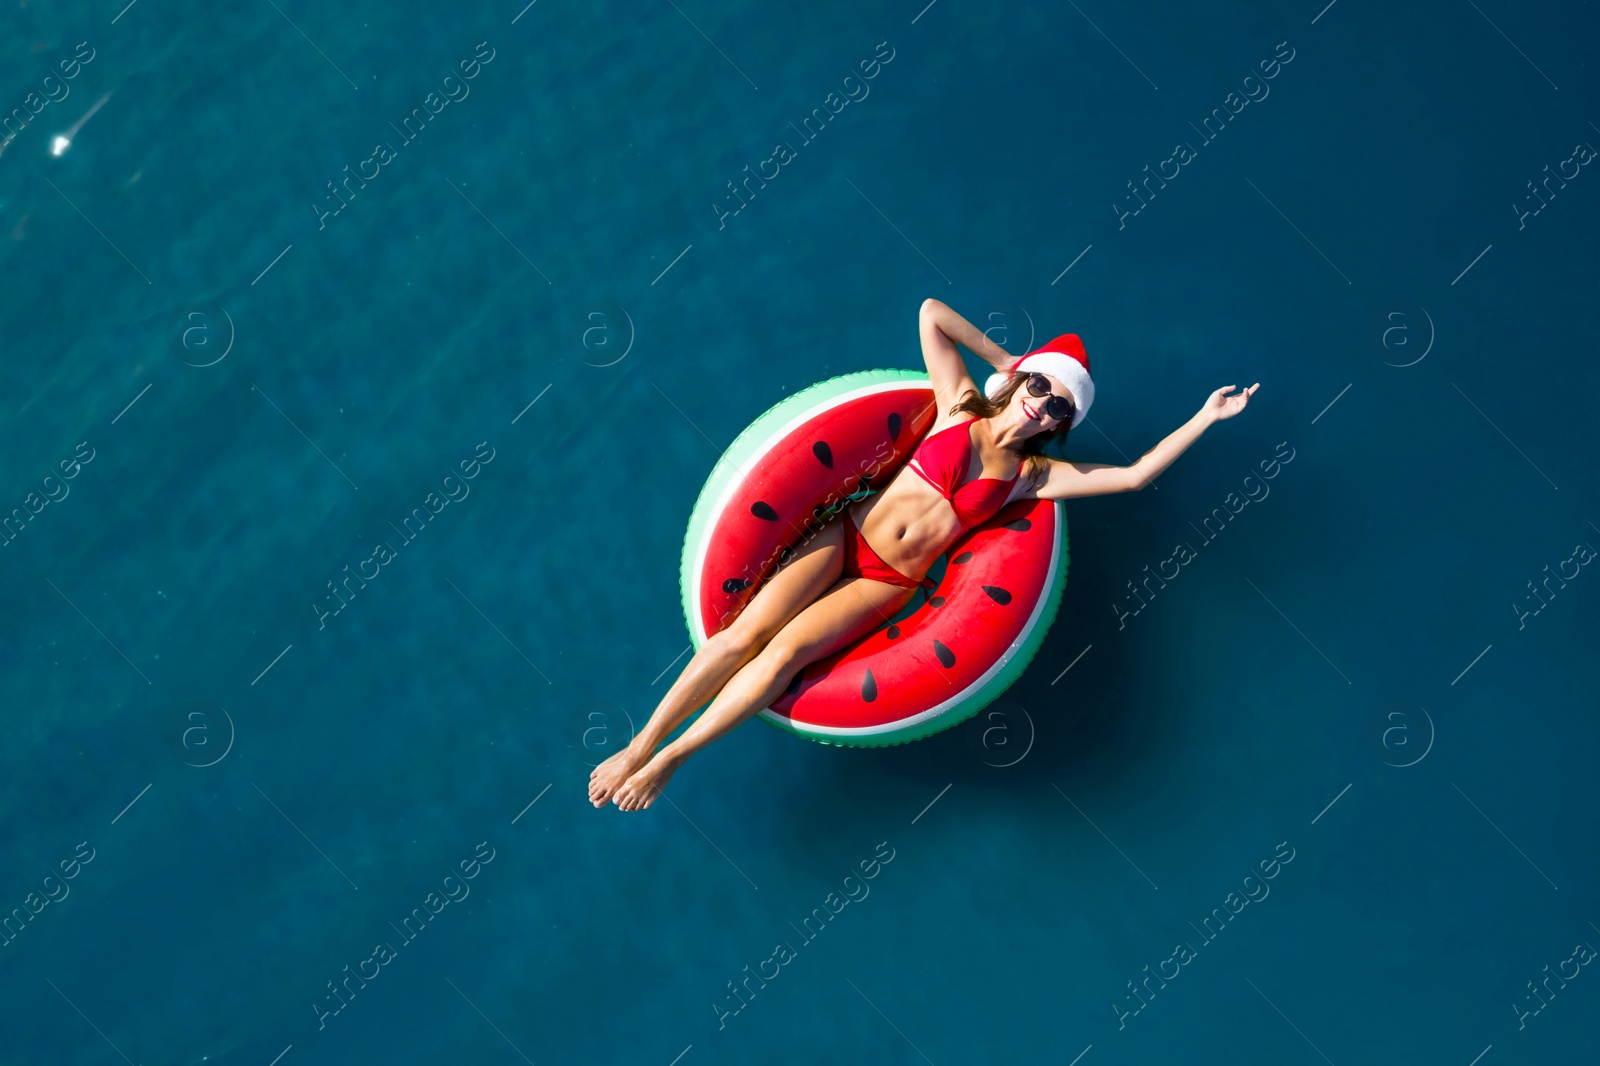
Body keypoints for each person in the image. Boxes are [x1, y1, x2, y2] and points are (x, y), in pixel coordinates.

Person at [591, 298, 1259, 810]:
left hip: (887, 582)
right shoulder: (956, 407)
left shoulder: (1032, 477)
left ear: (1060, 426)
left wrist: (1205, 417)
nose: (1044, 407)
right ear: (1023, 385)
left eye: (1058, 408)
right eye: (1041, 389)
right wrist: (1004, 359)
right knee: (744, 638)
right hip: (844, 536)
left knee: (785, 655)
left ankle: (672, 758)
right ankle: (638, 745)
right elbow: (931, 314)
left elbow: (1136, 474)